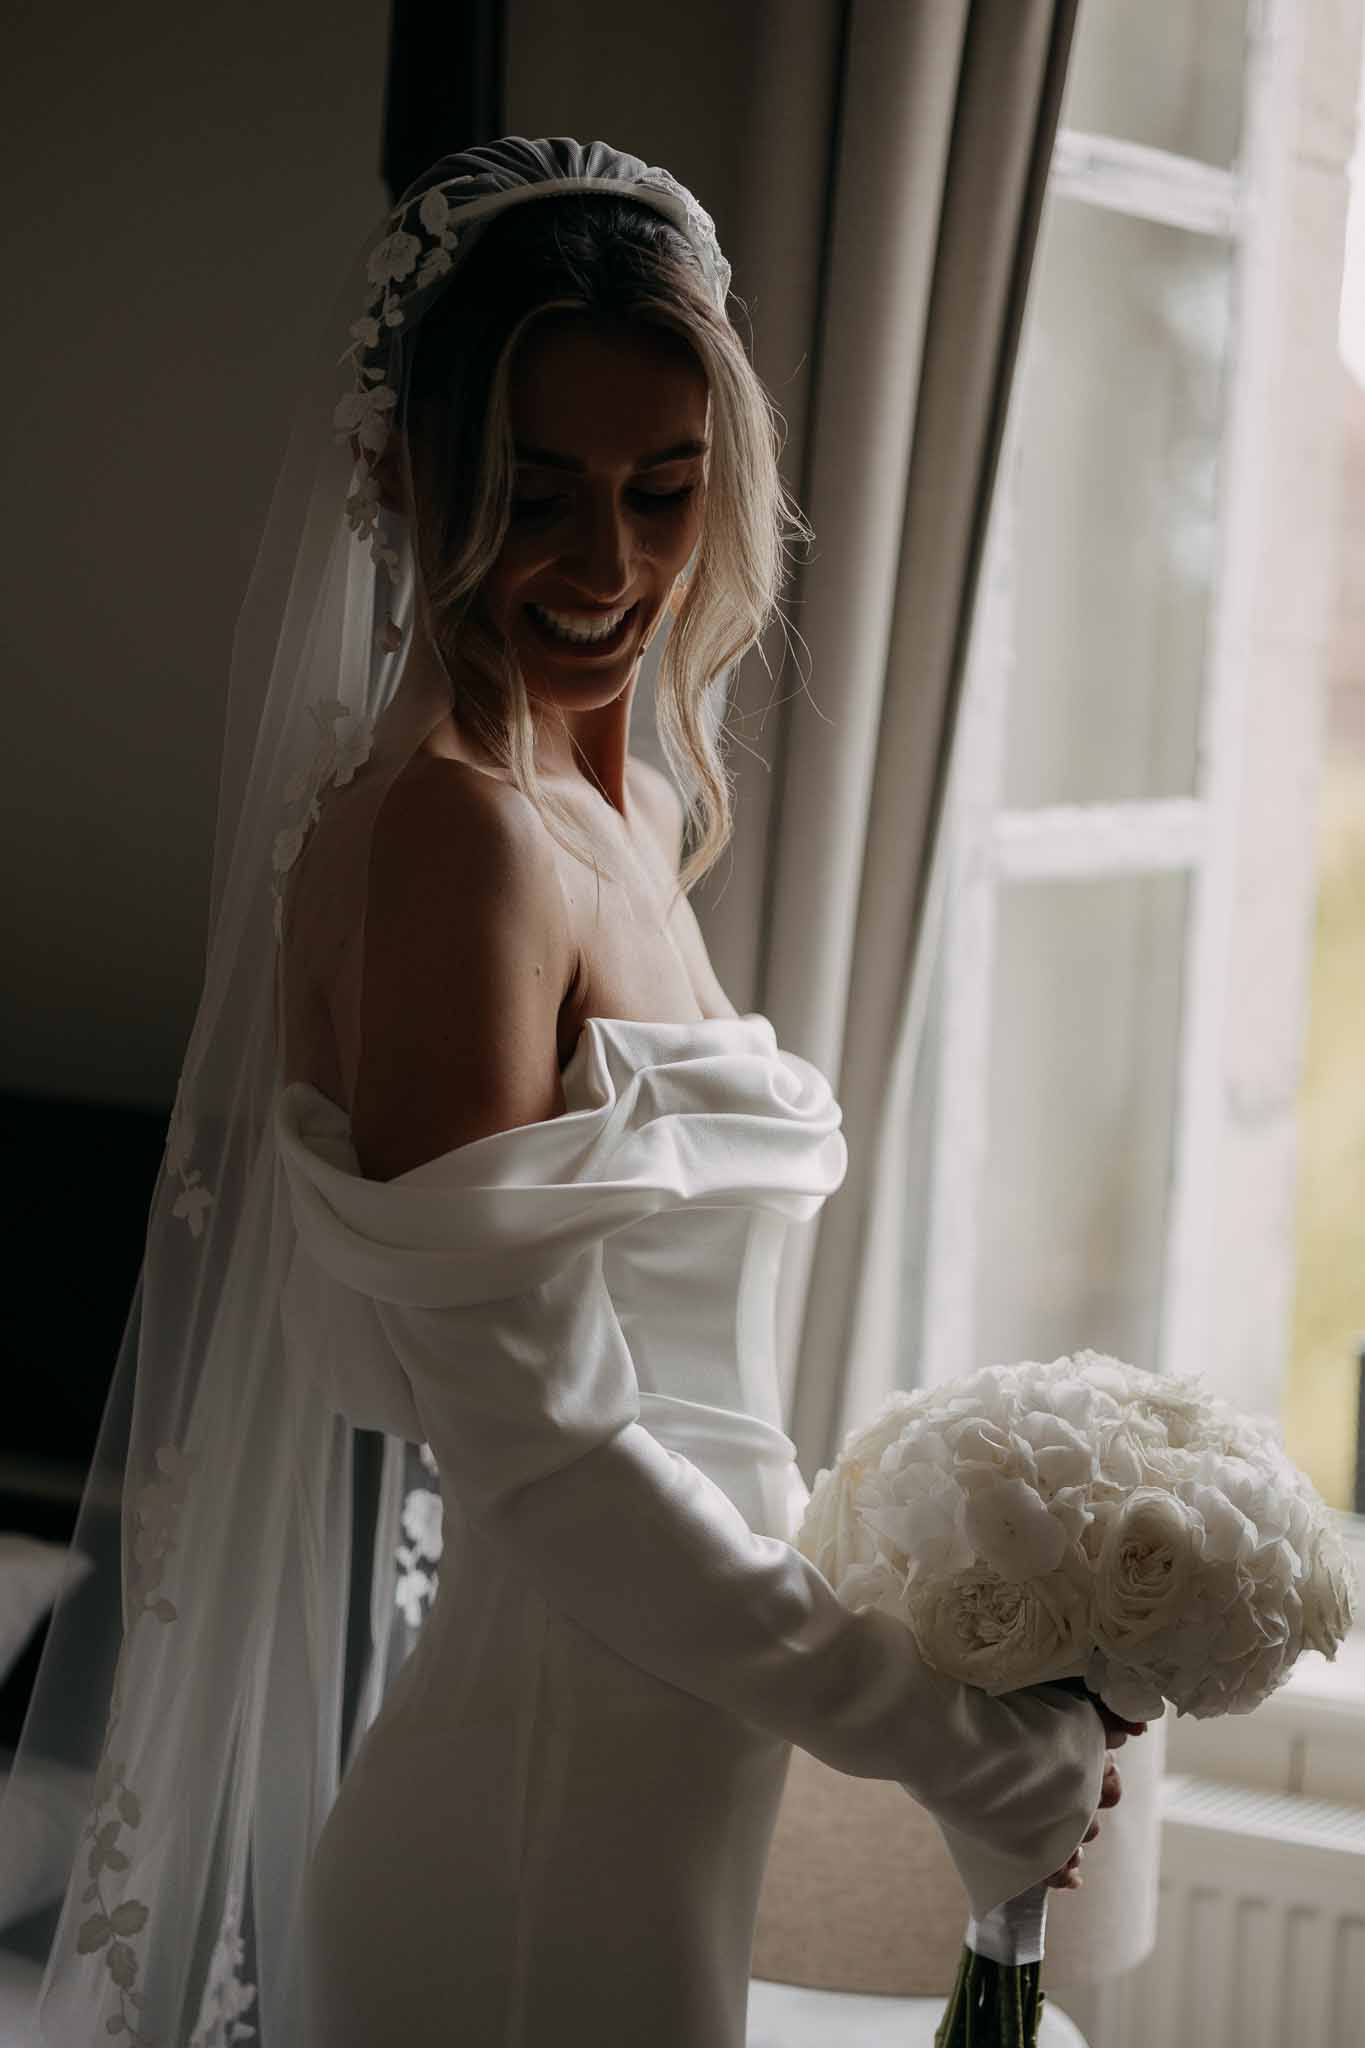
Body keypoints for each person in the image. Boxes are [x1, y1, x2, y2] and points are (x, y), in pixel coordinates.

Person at [0, 139, 1139, 2048]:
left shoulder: (627, 802)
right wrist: (941, 1742)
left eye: (662, 492)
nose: (606, 565)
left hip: (646, 1793)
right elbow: (544, 1452)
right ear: (405, 477)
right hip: (536, 1831)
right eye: (533, 496)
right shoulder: (453, 834)